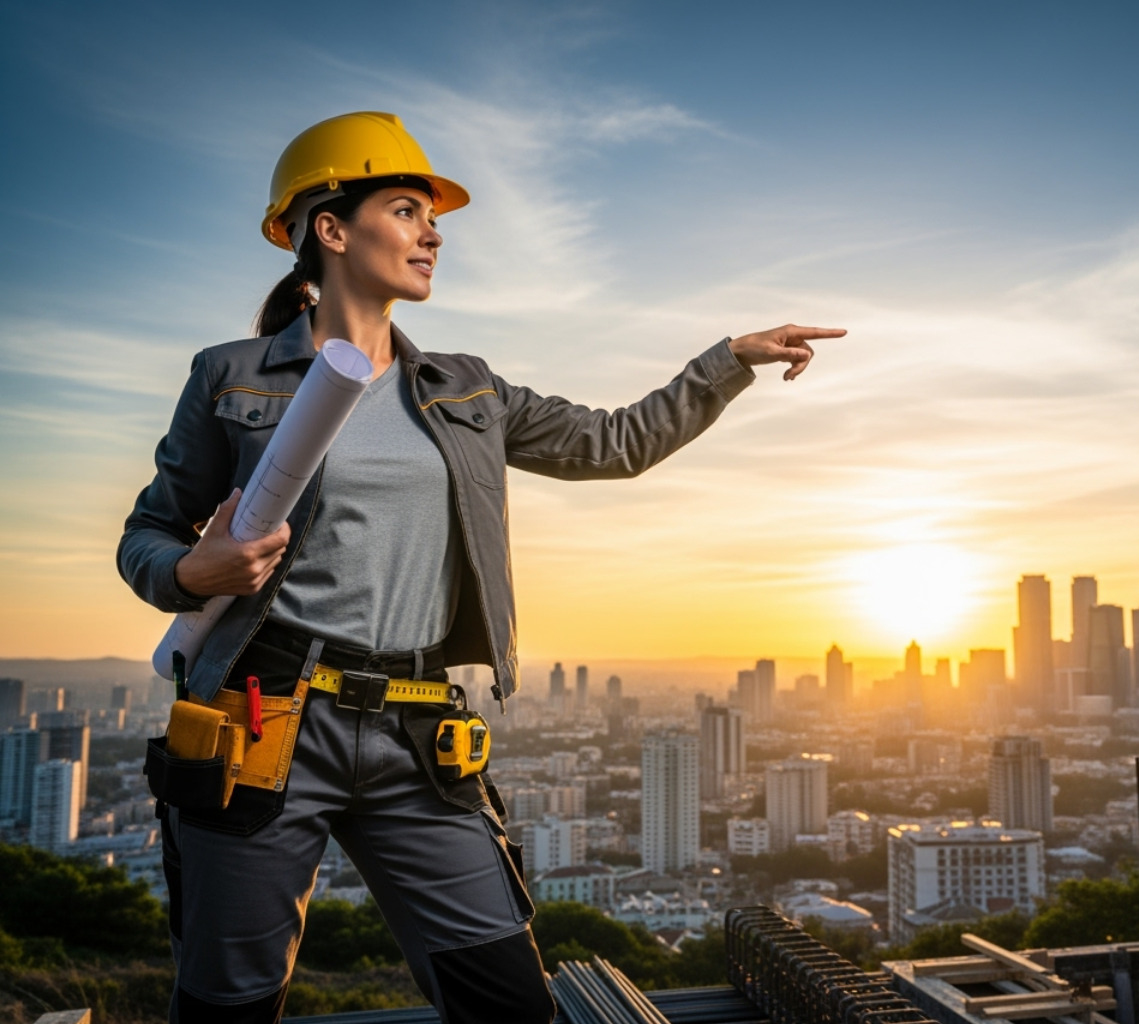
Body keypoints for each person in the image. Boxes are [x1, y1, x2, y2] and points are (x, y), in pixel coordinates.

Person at [118, 110, 844, 1024]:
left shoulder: (468, 390)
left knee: (508, 1003)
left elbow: (614, 444)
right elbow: (145, 538)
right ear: (330, 230)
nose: (434, 232)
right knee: (228, 1003)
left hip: (420, 733)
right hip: (262, 724)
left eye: (435, 215)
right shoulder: (231, 377)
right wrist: (196, 573)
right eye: (406, 208)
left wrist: (726, 362)